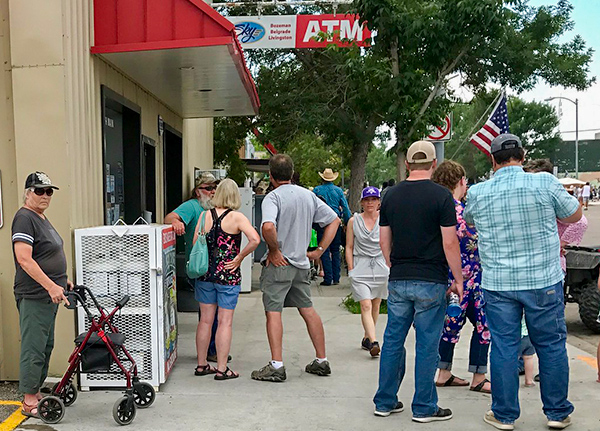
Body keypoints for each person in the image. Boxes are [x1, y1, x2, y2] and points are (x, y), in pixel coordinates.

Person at [464, 134, 582, 431]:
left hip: (499, 282)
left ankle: (504, 415)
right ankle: (557, 413)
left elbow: (470, 221)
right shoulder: (544, 182)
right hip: (542, 279)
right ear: (523, 155)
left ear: (492, 160)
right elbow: (574, 215)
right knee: (552, 345)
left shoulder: (479, 192)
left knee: (503, 346)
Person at [373, 141, 463, 422]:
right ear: (433, 164)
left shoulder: (390, 195)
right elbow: (449, 242)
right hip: (431, 279)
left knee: (392, 341)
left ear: (409, 165)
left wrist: (391, 262)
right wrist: (458, 278)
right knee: (426, 345)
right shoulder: (441, 197)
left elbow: (383, 238)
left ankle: (385, 401)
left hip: (400, 276)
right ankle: (424, 407)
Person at [251, 154, 340, 382]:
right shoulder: (308, 196)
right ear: (292, 174)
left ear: (270, 176)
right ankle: (321, 360)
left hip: (279, 265)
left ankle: (277, 365)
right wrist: (319, 251)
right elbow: (334, 220)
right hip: (301, 263)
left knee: (273, 311)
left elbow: (268, 226)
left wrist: (274, 250)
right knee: (307, 309)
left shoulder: (273, 198)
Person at [12, 172, 73, 418]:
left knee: (46, 345)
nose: (45, 195)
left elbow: (47, 253)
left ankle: (36, 391)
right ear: (28, 193)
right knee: (34, 346)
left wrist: (62, 280)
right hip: (35, 294)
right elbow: (24, 259)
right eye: (39, 191)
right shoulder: (24, 218)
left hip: (51, 293)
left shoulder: (40, 217)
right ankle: (28, 400)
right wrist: (50, 285)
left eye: (49, 191)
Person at [431, 161, 491, 394]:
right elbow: (471, 242)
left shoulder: (435, 208)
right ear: (461, 182)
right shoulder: (460, 212)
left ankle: (443, 371)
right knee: (483, 326)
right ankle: (479, 375)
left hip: (443, 276)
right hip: (469, 277)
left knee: (451, 325)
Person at [192, 179, 260, 380]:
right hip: (228, 276)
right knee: (225, 322)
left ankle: (202, 364)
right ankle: (222, 368)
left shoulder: (204, 215)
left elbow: (196, 242)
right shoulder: (237, 218)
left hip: (205, 274)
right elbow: (255, 239)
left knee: (205, 321)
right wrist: (239, 257)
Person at [164, 172, 222, 363]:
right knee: (208, 313)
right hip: (199, 266)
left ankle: (210, 350)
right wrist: (176, 221)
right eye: (208, 188)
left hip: (216, 267)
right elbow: (169, 217)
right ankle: (209, 351)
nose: (212, 191)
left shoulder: (217, 206)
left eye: (214, 187)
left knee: (213, 313)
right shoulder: (192, 206)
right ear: (198, 191)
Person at [345, 186, 389, 357]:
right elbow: (349, 246)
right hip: (361, 265)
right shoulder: (353, 221)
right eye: (367, 200)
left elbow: (389, 243)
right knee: (365, 304)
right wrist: (351, 268)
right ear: (362, 202)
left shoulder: (385, 220)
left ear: (378, 202)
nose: (370, 203)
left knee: (376, 304)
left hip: (380, 265)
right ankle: (374, 342)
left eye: (373, 199)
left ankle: (367, 337)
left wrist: (389, 263)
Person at [313, 168, 351, 286]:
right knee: (335, 250)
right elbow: (345, 208)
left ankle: (327, 278)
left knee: (323, 249)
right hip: (336, 222)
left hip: (322, 223)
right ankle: (336, 277)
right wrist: (348, 221)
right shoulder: (339, 191)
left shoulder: (317, 190)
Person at [520, 316, 536, 388]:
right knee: (529, 358)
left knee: (513, 359)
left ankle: (510, 380)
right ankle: (529, 380)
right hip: (529, 335)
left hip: (517, 336)